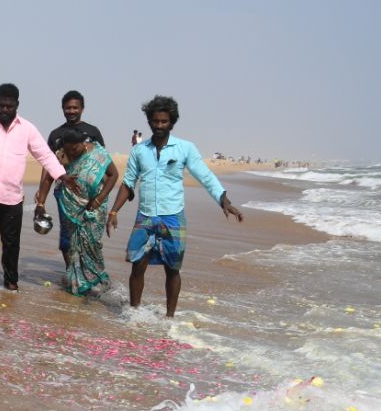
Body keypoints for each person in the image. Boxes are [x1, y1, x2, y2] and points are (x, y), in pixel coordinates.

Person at [105, 95, 243, 316]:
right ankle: (133, 312)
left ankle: (170, 317)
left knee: (173, 269)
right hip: (146, 216)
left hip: (173, 217)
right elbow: (128, 182)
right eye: (155, 121)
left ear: (172, 122)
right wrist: (113, 211)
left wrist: (224, 201)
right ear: (149, 121)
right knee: (137, 264)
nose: (159, 126)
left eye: (164, 122)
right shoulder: (140, 151)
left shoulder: (185, 148)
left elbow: (205, 176)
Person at [0, 83, 77, 290]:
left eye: (9, 106)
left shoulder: (27, 129)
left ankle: (11, 282)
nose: (5, 110)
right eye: (1, 105)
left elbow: (44, 154)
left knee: (11, 243)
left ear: (17, 105)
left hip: (12, 197)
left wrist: (62, 175)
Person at [35, 130, 117, 294]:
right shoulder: (61, 155)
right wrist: (41, 204)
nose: (72, 153)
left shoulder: (98, 153)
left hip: (95, 208)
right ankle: (77, 281)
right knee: (73, 245)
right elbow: (48, 178)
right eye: (69, 149)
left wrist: (98, 199)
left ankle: (98, 278)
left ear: (83, 143)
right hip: (70, 209)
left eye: (76, 149)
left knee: (92, 243)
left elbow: (113, 175)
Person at [38, 90, 107, 265]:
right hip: (65, 195)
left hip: (91, 196)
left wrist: (101, 196)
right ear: (62, 109)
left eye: (75, 108)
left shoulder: (92, 132)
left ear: (82, 109)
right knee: (67, 237)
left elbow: (102, 162)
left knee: (90, 236)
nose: (71, 111)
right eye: (68, 108)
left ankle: (88, 271)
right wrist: (41, 195)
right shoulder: (56, 134)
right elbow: (48, 166)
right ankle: (71, 272)